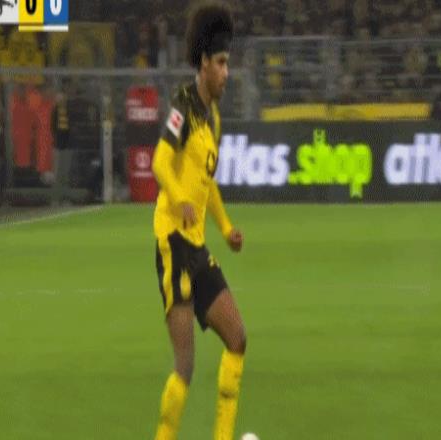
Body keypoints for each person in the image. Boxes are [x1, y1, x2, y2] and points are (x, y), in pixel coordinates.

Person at [151, 4, 246, 440]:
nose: (227, 72)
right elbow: (159, 162)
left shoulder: (214, 118)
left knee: (237, 338)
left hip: (198, 246)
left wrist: (225, 229)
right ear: (204, 62)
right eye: (221, 63)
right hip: (173, 240)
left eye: (228, 63)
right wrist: (179, 199)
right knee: (185, 365)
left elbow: (208, 184)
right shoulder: (183, 107)